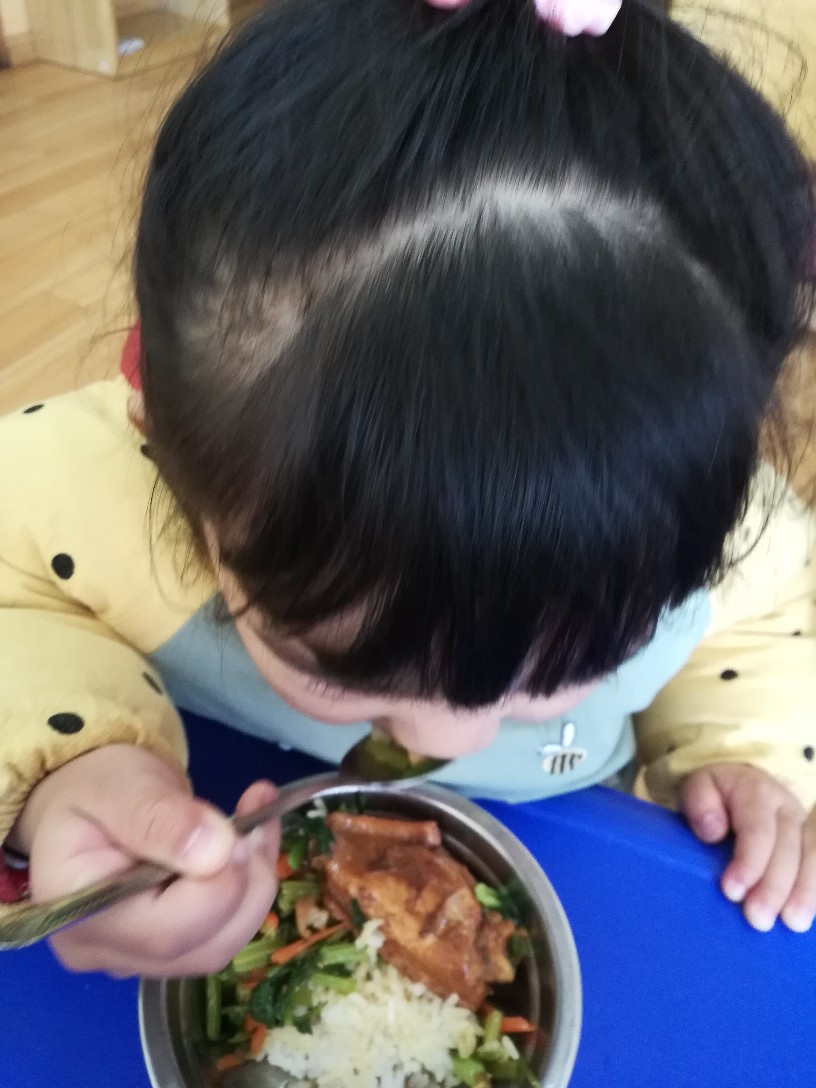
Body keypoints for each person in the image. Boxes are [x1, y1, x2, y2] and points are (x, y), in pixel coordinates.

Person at [0, 0, 814, 980]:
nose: (446, 738)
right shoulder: (79, 488)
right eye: (339, 664)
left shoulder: (722, 532)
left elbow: (771, 625)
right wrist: (63, 770)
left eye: (567, 663)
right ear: (166, 448)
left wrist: (742, 751)